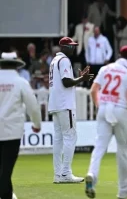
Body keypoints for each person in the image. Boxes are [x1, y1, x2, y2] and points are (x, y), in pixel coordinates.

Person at [85, 46, 127, 199]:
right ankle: (123, 189)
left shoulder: (105, 68)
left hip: (104, 108)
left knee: (99, 147)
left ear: (120, 55)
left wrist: (101, 106)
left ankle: (92, 175)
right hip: (121, 110)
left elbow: (93, 91)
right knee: (122, 150)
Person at [48, 37, 94, 184]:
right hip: (64, 103)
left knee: (58, 139)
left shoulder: (54, 61)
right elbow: (66, 82)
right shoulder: (65, 60)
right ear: (64, 47)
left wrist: (79, 77)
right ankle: (66, 173)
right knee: (70, 137)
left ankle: (58, 174)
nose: (73, 48)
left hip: (55, 104)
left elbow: (64, 81)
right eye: (71, 46)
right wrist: (82, 79)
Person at [0, 52, 41, 199]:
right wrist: (37, 124)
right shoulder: (20, 82)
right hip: (12, 132)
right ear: (16, 66)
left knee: (3, 172)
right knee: (6, 171)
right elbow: (34, 106)